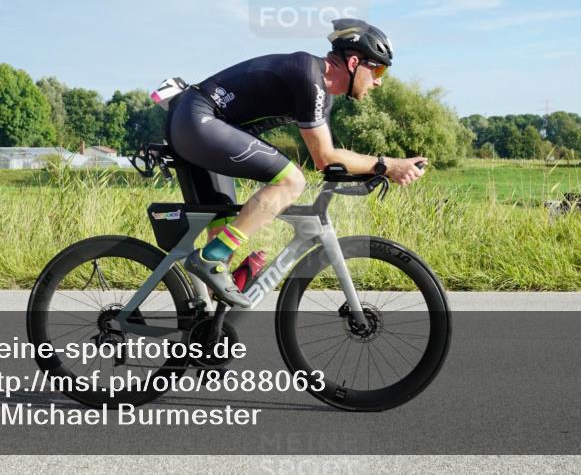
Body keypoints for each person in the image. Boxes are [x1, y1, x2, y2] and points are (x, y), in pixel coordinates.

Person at [164, 18, 427, 307]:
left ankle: (205, 332)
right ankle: (208, 258)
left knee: (224, 237)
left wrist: (375, 168)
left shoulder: (320, 95)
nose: (379, 80)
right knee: (291, 181)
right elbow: (324, 157)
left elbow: (330, 159)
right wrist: (387, 165)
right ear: (354, 62)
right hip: (198, 120)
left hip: (200, 127)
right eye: (377, 68)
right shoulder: (308, 74)